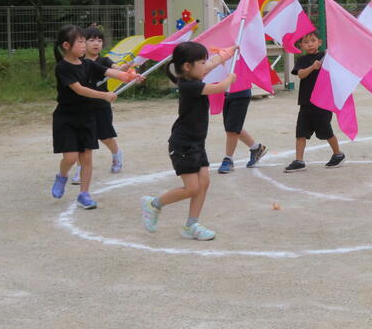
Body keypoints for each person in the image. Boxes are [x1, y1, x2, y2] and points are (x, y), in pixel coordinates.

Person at [140, 42, 236, 240]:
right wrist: (230, 79)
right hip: (183, 144)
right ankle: (153, 204)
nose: (205, 65)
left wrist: (226, 54)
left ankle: (191, 225)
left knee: (204, 182)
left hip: (197, 142)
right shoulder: (190, 86)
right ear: (187, 66)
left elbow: (210, 65)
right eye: (201, 61)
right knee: (192, 187)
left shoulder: (193, 76)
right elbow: (221, 88)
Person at [50, 25, 138, 209]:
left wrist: (128, 76)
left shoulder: (89, 64)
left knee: (86, 159)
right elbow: (79, 89)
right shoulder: (63, 67)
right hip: (66, 118)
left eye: (84, 41)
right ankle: (62, 176)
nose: (84, 46)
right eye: (80, 42)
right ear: (66, 45)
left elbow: (109, 72)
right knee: (70, 158)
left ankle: (84, 194)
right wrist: (104, 95)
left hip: (86, 117)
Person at [70, 26, 126, 185]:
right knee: (83, 139)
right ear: (83, 43)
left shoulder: (104, 61)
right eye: (92, 40)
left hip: (101, 104)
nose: (96, 43)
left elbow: (116, 69)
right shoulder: (77, 62)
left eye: (100, 40)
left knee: (105, 136)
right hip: (82, 105)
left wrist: (124, 69)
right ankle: (80, 169)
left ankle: (117, 154)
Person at [284, 32, 345, 172]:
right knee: (300, 133)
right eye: (306, 42)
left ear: (320, 42)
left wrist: (330, 55)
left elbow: (338, 60)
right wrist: (313, 67)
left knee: (326, 131)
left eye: (313, 40)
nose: (310, 44)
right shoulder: (302, 60)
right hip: (306, 102)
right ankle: (299, 161)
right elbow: (300, 74)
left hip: (323, 101)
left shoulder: (326, 56)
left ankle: (338, 154)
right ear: (301, 46)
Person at [217, 88, 268, 174]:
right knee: (232, 127)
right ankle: (256, 148)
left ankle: (228, 159)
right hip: (226, 94)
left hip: (240, 94)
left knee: (232, 129)